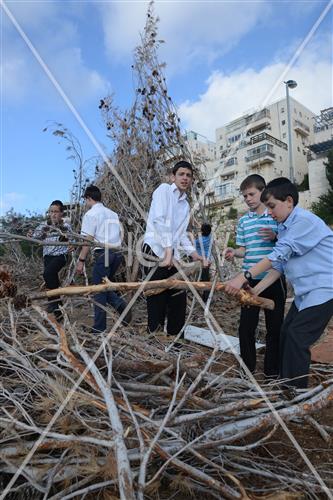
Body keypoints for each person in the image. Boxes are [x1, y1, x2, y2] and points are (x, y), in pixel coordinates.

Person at [225, 177, 333, 388]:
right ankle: (286, 384)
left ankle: (294, 394)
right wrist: (255, 290)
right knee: (285, 333)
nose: (270, 212)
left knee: (296, 337)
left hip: (325, 288)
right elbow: (279, 267)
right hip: (306, 293)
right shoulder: (284, 227)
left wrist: (242, 277)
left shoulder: (303, 221)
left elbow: (277, 255)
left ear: (289, 202)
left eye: (273, 206)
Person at [224, 174, 286, 378]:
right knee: (246, 327)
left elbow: (287, 244)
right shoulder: (243, 221)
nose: (248, 198)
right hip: (249, 280)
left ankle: (271, 372)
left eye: (251, 194)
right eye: (244, 196)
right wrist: (235, 252)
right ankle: (248, 369)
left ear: (263, 192)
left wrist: (275, 236)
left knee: (274, 327)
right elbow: (244, 249)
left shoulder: (275, 215)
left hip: (274, 278)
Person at [142, 160, 205, 335]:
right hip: (154, 250)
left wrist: (193, 254)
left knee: (178, 296)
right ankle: (154, 340)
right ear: (173, 176)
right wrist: (168, 251)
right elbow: (160, 220)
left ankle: (175, 340)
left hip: (171, 255)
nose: (185, 178)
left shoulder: (185, 204)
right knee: (156, 298)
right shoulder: (163, 190)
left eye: (188, 175)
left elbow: (181, 233)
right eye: (181, 174)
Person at [76, 185, 131, 333]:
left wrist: (81, 260)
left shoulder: (90, 215)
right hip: (117, 254)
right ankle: (121, 306)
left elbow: (88, 239)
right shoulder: (112, 214)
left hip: (103, 254)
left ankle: (99, 328)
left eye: (85, 200)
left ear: (88, 198)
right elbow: (120, 233)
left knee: (99, 291)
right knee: (105, 286)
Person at [31, 200, 72, 322]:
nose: (53, 214)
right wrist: (30, 234)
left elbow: (72, 240)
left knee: (48, 274)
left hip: (60, 256)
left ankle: (55, 306)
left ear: (61, 213)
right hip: (47, 257)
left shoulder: (65, 226)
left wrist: (71, 245)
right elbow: (34, 237)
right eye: (51, 212)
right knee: (50, 280)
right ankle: (57, 312)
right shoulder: (44, 226)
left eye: (56, 212)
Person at [194, 223, 213, 303]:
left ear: (202, 231)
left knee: (202, 279)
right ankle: (206, 297)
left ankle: (204, 298)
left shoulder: (199, 240)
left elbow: (193, 243)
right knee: (206, 278)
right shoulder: (210, 237)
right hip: (208, 260)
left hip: (201, 261)